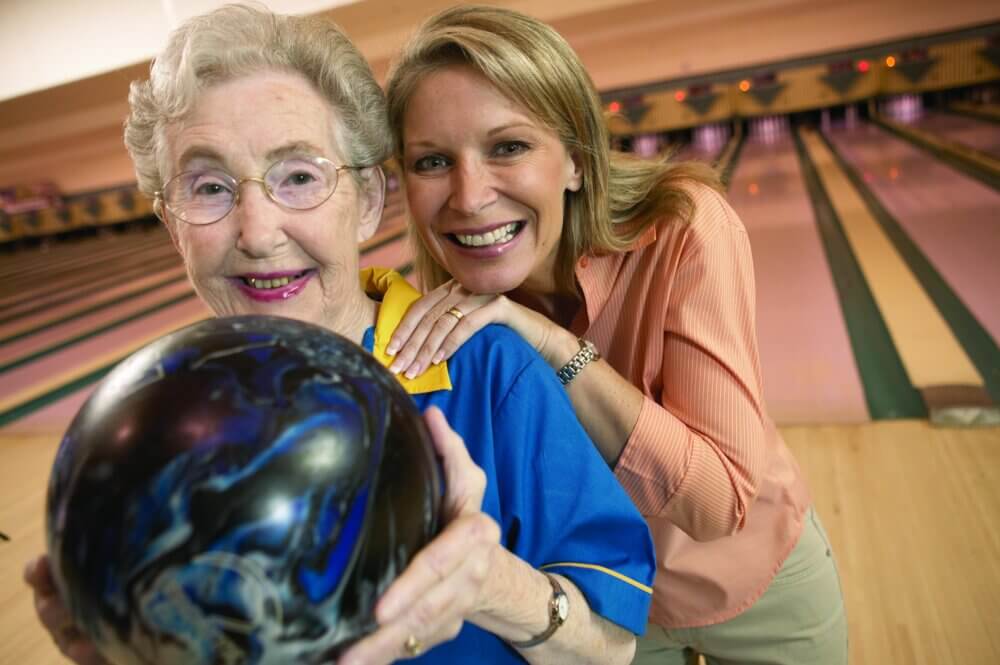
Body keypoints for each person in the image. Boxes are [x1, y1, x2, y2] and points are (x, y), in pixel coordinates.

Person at [23, 5, 656, 665]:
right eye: (208, 186)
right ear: (171, 223)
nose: (258, 233)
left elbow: (613, 648)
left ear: (370, 201)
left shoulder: (491, 372)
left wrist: (491, 583)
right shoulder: (146, 430)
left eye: (299, 176)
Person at [381, 6, 848, 664]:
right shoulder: (453, 327)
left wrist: (553, 344)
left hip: (754, 580)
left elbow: (719, 505)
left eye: (507, 146)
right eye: (432, 160)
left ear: (574, 159)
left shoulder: (685, 228)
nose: (469, 195)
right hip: (608, 614)